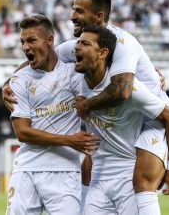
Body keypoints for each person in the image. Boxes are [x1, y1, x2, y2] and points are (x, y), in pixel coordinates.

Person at [2, 0, 169, 214]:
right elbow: (45, 56)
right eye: (73, 9)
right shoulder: (79, 46)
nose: (72, 16)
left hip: (151, 120)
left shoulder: (123, 43)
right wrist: (9, 82)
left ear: (98, 17)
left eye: (79, 11)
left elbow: (122, 91)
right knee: (89, 177)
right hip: (119, 122)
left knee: (141, 182)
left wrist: (86, 105)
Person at [74, 24, 169, 215]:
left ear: (102, 53)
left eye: (85, 43)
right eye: (77, 42)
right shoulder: (75, 80)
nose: (76, 47)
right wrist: (10, 84)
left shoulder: (131, 90)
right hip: (98, 179)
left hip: (128, 176)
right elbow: (43, 68)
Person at [6, 14, 100, 215]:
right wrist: (68, 140)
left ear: (50, 40)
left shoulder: (74, 74)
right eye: (22, 42)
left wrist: (147, 72)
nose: (25, 47)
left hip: (65, 172)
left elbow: (110, 70)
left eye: (31, 40)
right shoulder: (19, 81)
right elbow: (22, 132)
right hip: (27, 170)